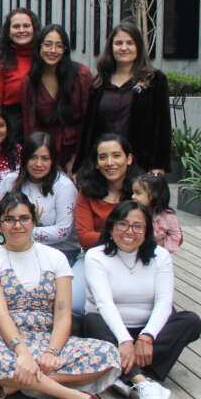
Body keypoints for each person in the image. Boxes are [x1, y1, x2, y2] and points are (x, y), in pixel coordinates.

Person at [0, 192, 124, 399]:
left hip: (47, 337)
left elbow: (62, 312)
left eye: (24, 218)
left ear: (34, 221)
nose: (17, 225)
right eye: (9, 219)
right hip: (5, 340)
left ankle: (6, 388)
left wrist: (52, 351)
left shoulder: (55, 257)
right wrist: (22, 353)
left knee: (108, 353)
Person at [83, 201, 201, 399]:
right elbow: (104, 303)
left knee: (190, 321)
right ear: (111, 227)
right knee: (90, 321)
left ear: (147, 231)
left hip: (147, 332)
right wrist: (124, 341)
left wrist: (147, 337)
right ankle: (143, 381)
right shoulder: (95, 256)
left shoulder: (160, 256)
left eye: (138, 226)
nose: (129, 232)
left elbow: (164, 302)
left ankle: (123, 374)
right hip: (111, 330)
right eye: (122, 224)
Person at [76, 21, 173, 174]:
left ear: (138, 47)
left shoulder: (154, 80)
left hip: (140, 165)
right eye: (118, 43)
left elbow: (162, 126)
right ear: (111, 47)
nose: (124, 48)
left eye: (130, 43)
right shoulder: (99, 83)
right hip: (104, 165)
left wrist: (159, 165)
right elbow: (88, 128)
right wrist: (79, 166)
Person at [72, 134, 143, 315]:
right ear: (96, 163)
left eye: (116, 155)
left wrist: (108, 236)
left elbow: (148, 233)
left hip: (134, 258)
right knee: (74, 303)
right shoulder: (86, 191)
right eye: (103, 157)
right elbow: (85, 237)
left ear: (128, 159)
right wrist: (125, 236)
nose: (109, 162)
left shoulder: (142, 191)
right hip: (95, 256)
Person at [0, 132, 79, 263]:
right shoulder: (10, 181)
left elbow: (62, 231)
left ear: (52, 160)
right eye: (33, 158)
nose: (38, 164)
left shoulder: (64, 187)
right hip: (15, 248)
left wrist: (20, 230)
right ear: (25, 158)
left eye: (45, 158)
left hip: (59, 252)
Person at [22, 25, 92, 172]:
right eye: (47, 44)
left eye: (59, 46)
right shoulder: (31, 81)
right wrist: (39, 161)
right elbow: (30, 125)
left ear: (65, 50)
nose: (53, 50)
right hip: (44, 156)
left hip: (77, 153)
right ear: (39, 47)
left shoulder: (81, 75)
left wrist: (77, 160)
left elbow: (88, 121)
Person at [0, 8, 39, 140]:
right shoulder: (1, 62)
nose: (21, 30)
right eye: (16, 26)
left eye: (26, 26)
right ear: (8, 32)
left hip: (41, 122)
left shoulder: (43, 57)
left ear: (34, 29)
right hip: (13, 126)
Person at [131, 173, 182, 253]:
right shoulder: (133, 212)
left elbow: (176, 235)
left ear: (154, 195)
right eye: (133, 192)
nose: (133, 196)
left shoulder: (168, 217)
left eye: (138, 193)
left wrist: (162, 250)